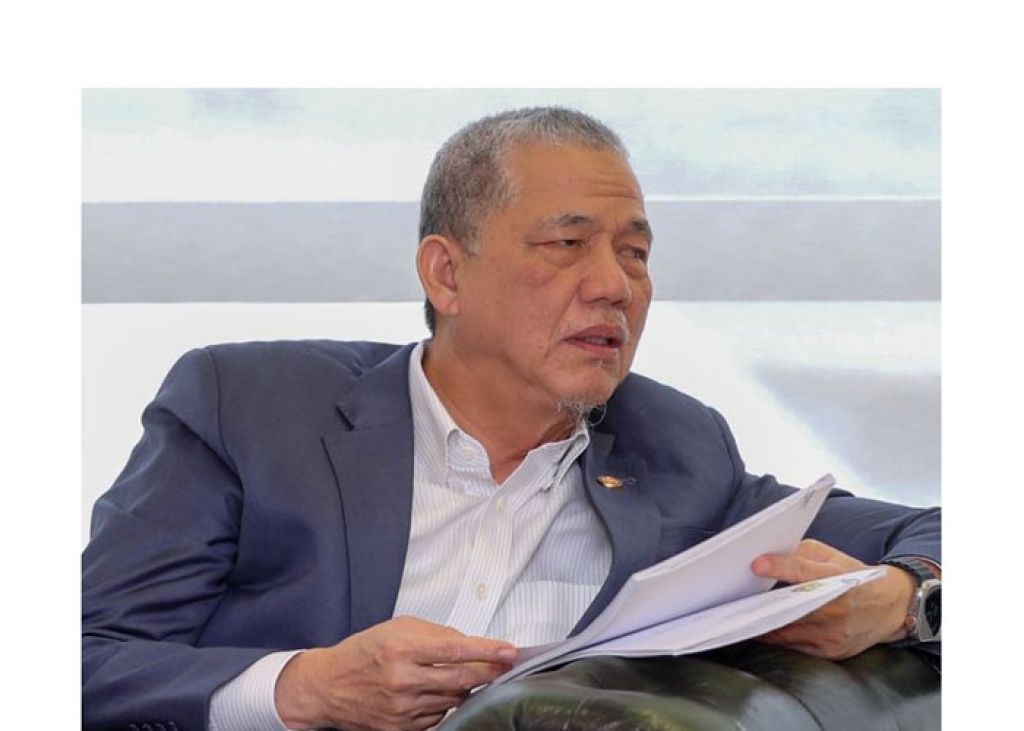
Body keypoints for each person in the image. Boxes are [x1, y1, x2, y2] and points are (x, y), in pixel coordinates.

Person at [82, 107, 941, 731]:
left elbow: (936, 529)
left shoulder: (677, 454)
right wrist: (304, 686)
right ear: (446, 274)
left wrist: (908, 601)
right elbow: (85, 658)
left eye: (636, 253)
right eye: (567, 244)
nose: (615, 285)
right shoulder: (250, 407)